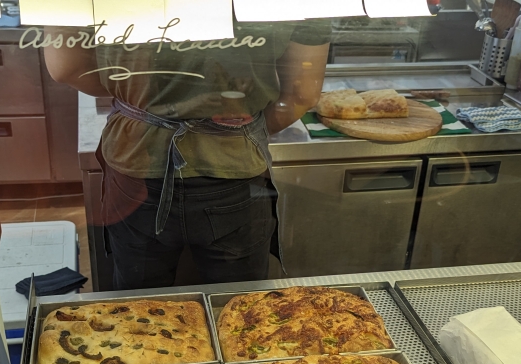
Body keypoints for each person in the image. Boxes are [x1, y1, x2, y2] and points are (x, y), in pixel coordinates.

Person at [44, 21, 331, 290]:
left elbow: (66, 67)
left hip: (136, 160)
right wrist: (232, 131)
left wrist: (146, 106)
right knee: (237, 311)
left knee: (141, 315)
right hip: (235, 163)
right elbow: (301, 92)